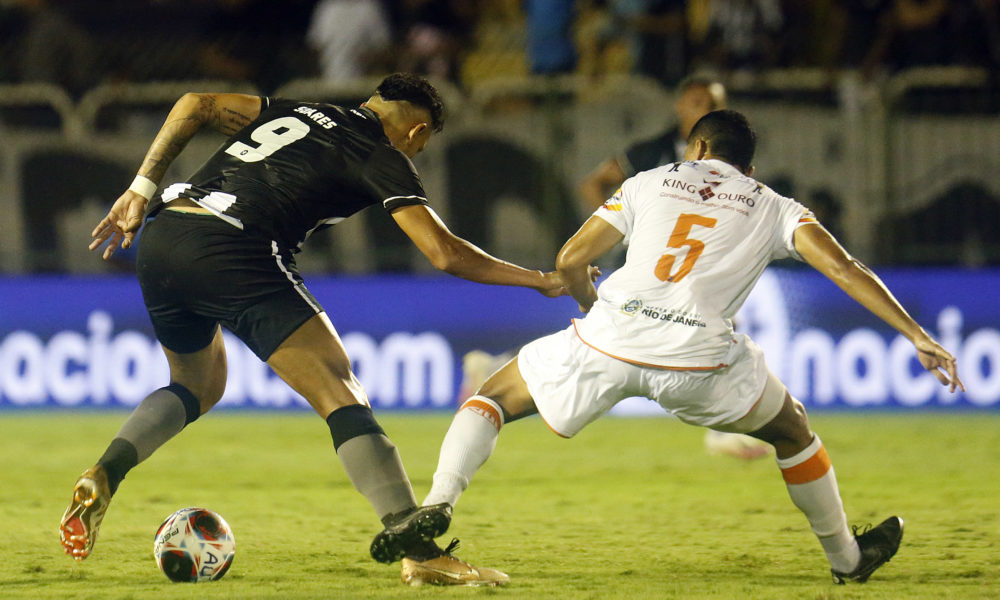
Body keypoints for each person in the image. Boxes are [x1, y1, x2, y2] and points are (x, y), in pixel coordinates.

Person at [392, 110, 965, 584]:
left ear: (699, 147)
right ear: (749, 165)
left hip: (610, 338)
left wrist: (592, 304)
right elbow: (843, 266)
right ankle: (847, 559)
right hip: (700, 360)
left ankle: (439, 503)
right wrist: (918, 334)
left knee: (490, 399)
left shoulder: (648, 181)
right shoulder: (773, 204)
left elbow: (570, 260)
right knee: (793, 431)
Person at [59, 73, 572, 586]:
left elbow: (195, 102)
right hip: (235, 247)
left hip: (164, 233)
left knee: (198, 384)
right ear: (416, 133)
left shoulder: (297, 110)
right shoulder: (379, 154)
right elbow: (444, 252)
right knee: (339, 389)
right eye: (421, 145)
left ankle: (104, 473)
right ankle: (420, 553)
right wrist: (541, 280)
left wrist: (139, 187)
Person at [579, 75, 727, 212]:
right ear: (680, 106)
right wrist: (624, 228)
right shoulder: (652, 151)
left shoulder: (733, 157)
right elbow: (593, 185)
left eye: (714, 106)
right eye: (698, 104)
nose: (707, 112)